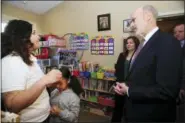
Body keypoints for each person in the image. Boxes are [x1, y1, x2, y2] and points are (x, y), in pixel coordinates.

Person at [114, 5, 182, 122]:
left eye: (134, 20)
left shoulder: (167, 42)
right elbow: (143, 75)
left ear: (148, 17)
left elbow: (167, 90)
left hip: (152, 115)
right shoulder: (142, 44)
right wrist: (126, 86)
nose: (131, 25)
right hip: (135, 112)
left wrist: (129, 91)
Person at [1, 19, 62, 122]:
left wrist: (49, 82)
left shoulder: (31, 59)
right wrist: (44, 80)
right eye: (34, 33)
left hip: (44, 117)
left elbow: (33, 85)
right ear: (23, 38)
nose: (39, 36)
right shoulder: (12, 62)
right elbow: (12, 105)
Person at [111, 36, 140, 123]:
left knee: (130, 109)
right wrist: (117, 83)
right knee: (118, 107)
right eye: (127, 43)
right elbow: (118, 69)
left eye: (131, 43)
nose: (128, 44)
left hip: (132, 86)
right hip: (120, 85)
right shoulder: (122, 55)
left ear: (136, 44)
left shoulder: (139, 56)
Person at [173, 23, 185, 122]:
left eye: (180, 31)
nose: (177, 34)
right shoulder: (173, 46)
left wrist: (182, 86)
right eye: (175, 32)